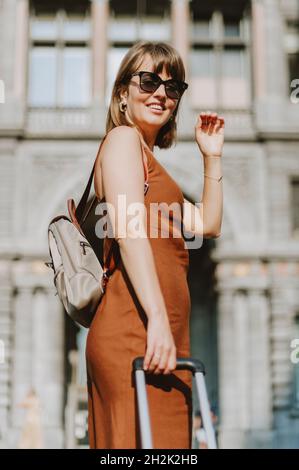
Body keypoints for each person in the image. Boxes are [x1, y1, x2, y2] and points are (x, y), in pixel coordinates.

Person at [85, 40, 224, 449]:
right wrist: (158, 321)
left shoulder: (151, 162)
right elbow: (129, 232)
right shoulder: (123, 142)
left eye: (173, 87)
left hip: (160, 330)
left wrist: (211, 157)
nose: (161, 93)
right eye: (148, 81)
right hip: (137, 327)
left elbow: (208, 224)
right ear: (122, 93)